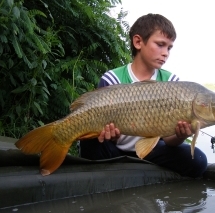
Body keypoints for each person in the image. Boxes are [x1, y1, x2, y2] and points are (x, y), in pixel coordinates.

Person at [79, 13, 207, 178]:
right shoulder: (113, 78)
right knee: (88, 140)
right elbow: (104, 131)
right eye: (160, 45)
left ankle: (125, 174)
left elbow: (169, 140)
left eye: (169, 48)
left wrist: (182, 135)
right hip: (115, 150)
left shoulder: (172, 82)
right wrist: (108, 136)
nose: (165, 53)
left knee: (198, 160)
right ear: (138, 42)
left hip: (153, 150)